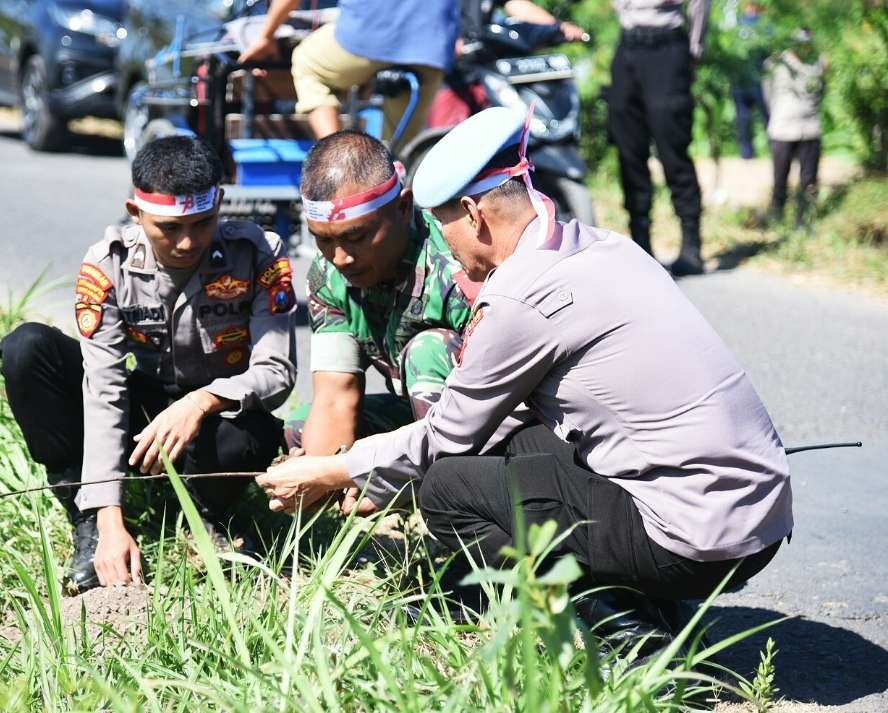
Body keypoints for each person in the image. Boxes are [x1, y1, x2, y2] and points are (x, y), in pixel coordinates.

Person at [258, 107, 792, 649]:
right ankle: (643, 597)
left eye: (444, 227)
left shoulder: (517, 296)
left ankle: (621, 631)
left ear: (474, 215)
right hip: (757, 518)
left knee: (448, 489)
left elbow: (448, 437)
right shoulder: (603, 246)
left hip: (697, 538)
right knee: (522, 446)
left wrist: (334, 472)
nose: (447, 244)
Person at [0, 136, 296, 593]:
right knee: (27, 349)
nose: (186, 242)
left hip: (215, 418)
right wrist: (110, 516)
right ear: (135, 212)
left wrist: (202, 401)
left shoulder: (257, 254)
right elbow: (104, 388)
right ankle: (87, 519)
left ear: (220, 204)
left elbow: (276, 371)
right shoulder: (107, 265)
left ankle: (208, 516)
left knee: (253, 434)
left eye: (202, 223)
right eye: (168, 228)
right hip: (144, 413)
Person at [285, 130, 532, 515]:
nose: (341, 258)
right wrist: (313, 483)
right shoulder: (328, 276)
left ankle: (458, 507)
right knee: (302, 427)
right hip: (419, 420)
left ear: (403, 207)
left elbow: (510, 399)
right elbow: (335, 395)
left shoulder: (458, 267)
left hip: (497, 426)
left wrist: (389, 476)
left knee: (427, 350)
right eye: (323, 241)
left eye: (356, 237)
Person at [238, 0, 459, 149]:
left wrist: (265, 36)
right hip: (432, 46)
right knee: (400, 154)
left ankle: (338, 158)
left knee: (308, 62)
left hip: (367, 34)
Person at [608, 0, 711, 275]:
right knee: (628, 149)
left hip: (667, 47)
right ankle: (640, 244)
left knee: (673, 149)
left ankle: (691, 245)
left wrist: (694, 49)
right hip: (628, 46)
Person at [764, 28, 827, 229]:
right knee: (779, 179)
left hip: (809, 129)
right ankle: (776, 220)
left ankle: (804, 222)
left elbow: (819, 91)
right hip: (782, 129)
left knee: (808, 180)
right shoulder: (775, 64)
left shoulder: (819, 63)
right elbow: (767, 94)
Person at [730, 2, 771, 160]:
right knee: (753, 118)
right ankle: (753, 152)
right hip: (750, 82)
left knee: (747, 118)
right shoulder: (764, 26)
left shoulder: (737, 26)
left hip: (750, 82)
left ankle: (747, 153)